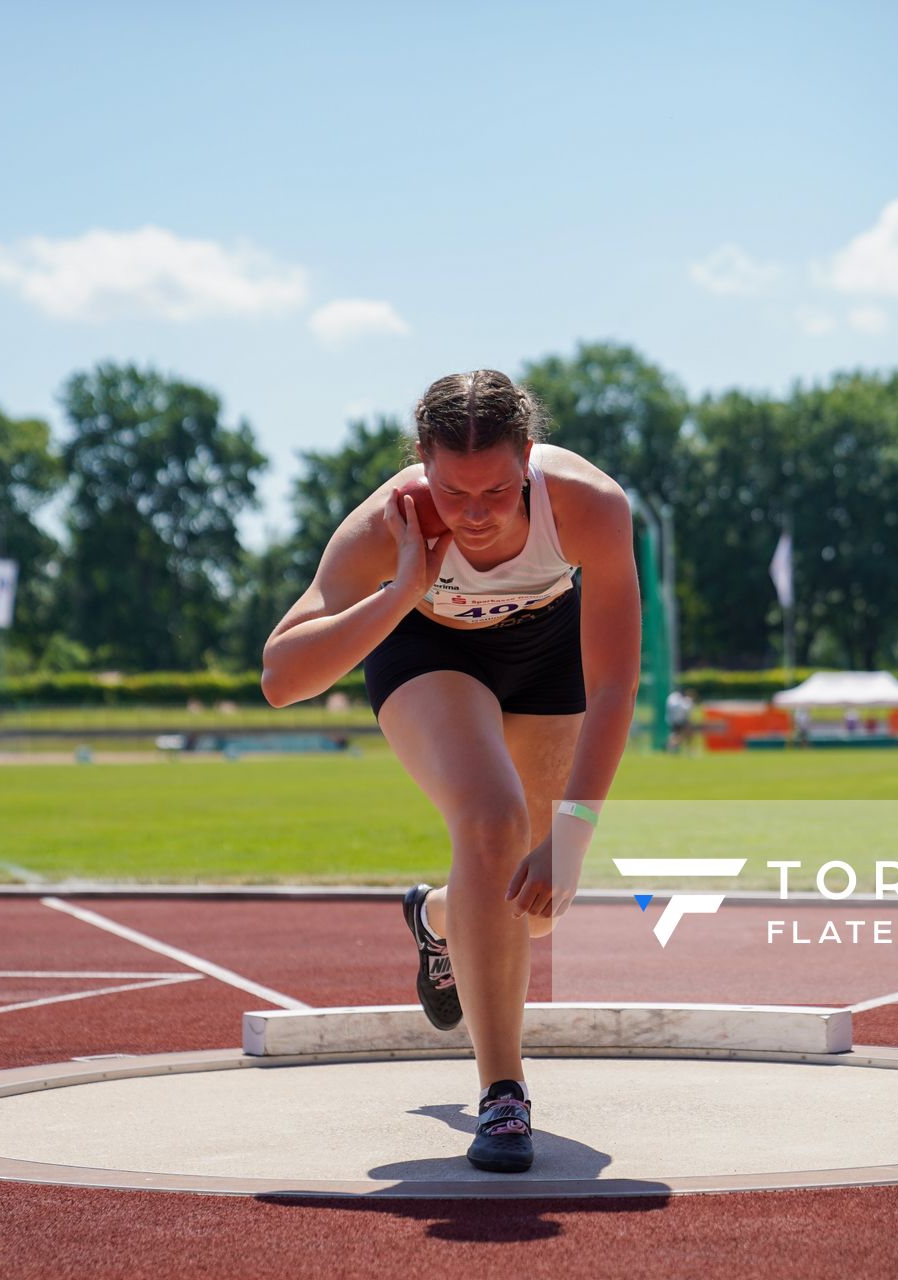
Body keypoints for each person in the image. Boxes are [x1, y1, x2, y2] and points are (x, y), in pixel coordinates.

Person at [261, 369, 640, 1174]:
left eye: (497, 491)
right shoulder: (389, 519)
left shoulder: (591, 505)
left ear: (530, 457)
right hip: (427, 646)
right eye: (452, 490)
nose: (472, 514)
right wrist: (403, 588)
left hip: (547, 656)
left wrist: (573, 835)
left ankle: (438, 918)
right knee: (494, 824)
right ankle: (504, 1095)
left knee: (534, 908)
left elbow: (613, 685)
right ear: (422, 464)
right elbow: (283, 678)